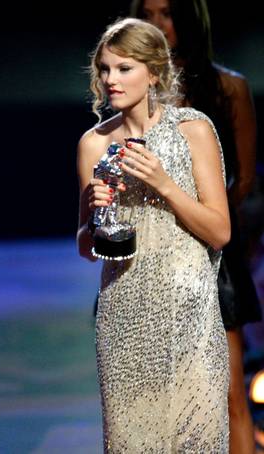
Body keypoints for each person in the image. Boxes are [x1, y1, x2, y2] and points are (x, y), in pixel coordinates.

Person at [77, 18, 231, 451]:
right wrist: (94, 213)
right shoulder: (94, 143)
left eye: (124, 68)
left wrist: (164, 184)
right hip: (124, 316)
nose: (111, 79)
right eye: (105, 69)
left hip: (190, 315)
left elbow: (219, 231)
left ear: (155, 72)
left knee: (196, 439)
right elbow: (87, 247)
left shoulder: (192, 130)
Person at [130, 1, 261, 451]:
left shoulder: (228, 87)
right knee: (152, 395)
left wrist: (202, 219)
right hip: (147, 255)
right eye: (147, 13)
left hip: (212, 255)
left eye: (167, 12)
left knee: (228, 395)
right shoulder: (133, 88)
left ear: (189, 17)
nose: (157, 24)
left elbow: (242, 179)